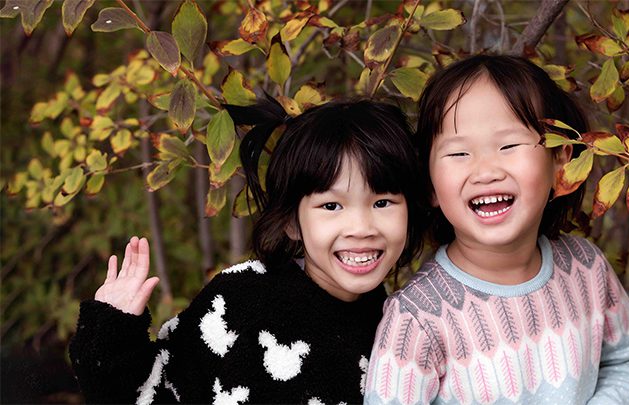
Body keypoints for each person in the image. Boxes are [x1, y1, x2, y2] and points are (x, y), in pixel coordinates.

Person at [69, 98, 427, 404]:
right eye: (331, 206)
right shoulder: (240, 299)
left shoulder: (402, 328)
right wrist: (112, 332)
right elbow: (147, 391)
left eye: (382, 202)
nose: (362, 228)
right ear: (290, 221)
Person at [364, 55, 629, 404]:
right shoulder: (419, 318)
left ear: (561, 162)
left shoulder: (586, 270)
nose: (486, 171)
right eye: (458, 153)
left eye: (509, 146)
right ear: (429, 184)